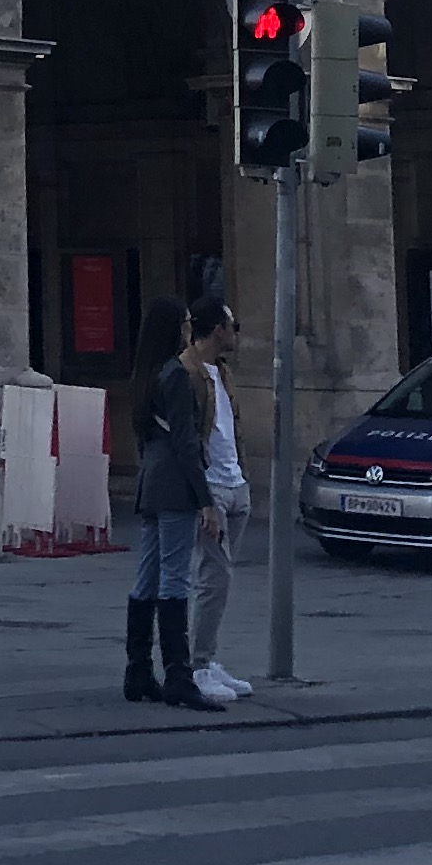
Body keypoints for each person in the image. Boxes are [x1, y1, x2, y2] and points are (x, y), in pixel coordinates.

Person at [119, 295, 225, 711]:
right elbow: (185, 442)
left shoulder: (145, 374)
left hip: (152, 481)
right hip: (176, 486)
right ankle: (178, 674)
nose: (187, 330)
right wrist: (206, 500)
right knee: (175, 578)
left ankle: (138, 670)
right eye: (183, 323)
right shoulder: (176, 374)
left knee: (147, 576)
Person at [186, 295, 256, 704]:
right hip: (211, 487)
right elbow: (187, 438)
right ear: (218, 330)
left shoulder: (222, 372)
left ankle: (208, 659)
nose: (237, 333)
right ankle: (197, 665)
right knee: (213, 579)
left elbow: (231, 427)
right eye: (234, 326)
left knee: (220, 579)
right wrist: (203, 499)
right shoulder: (188, 372)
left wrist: (242, 476)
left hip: (234, 483)